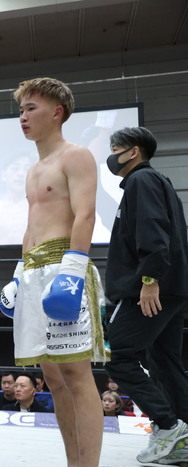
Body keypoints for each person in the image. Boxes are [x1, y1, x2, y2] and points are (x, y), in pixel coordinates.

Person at [0, 77, 108, 467]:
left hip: (65, 265)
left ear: (57, 112)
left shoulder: (76, 156)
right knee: (56, 382)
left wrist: (73, 271)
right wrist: (18, 275)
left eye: (31, 108)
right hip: (33, 271)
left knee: (77, 377)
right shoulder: (33, 171)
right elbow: (31, 227)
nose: (23, 117)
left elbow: (85, 214)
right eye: (21, 110)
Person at [103, 126, 188, 464]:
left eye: (115, 149)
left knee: (118, 355)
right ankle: (183, 440)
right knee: (165, 362)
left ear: (133, 151)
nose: (111, 156)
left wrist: (150, 279)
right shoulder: (159, 181)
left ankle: (168, 426)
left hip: (151, 289)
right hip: (172, 288)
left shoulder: (141, 180)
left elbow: (152, 231)